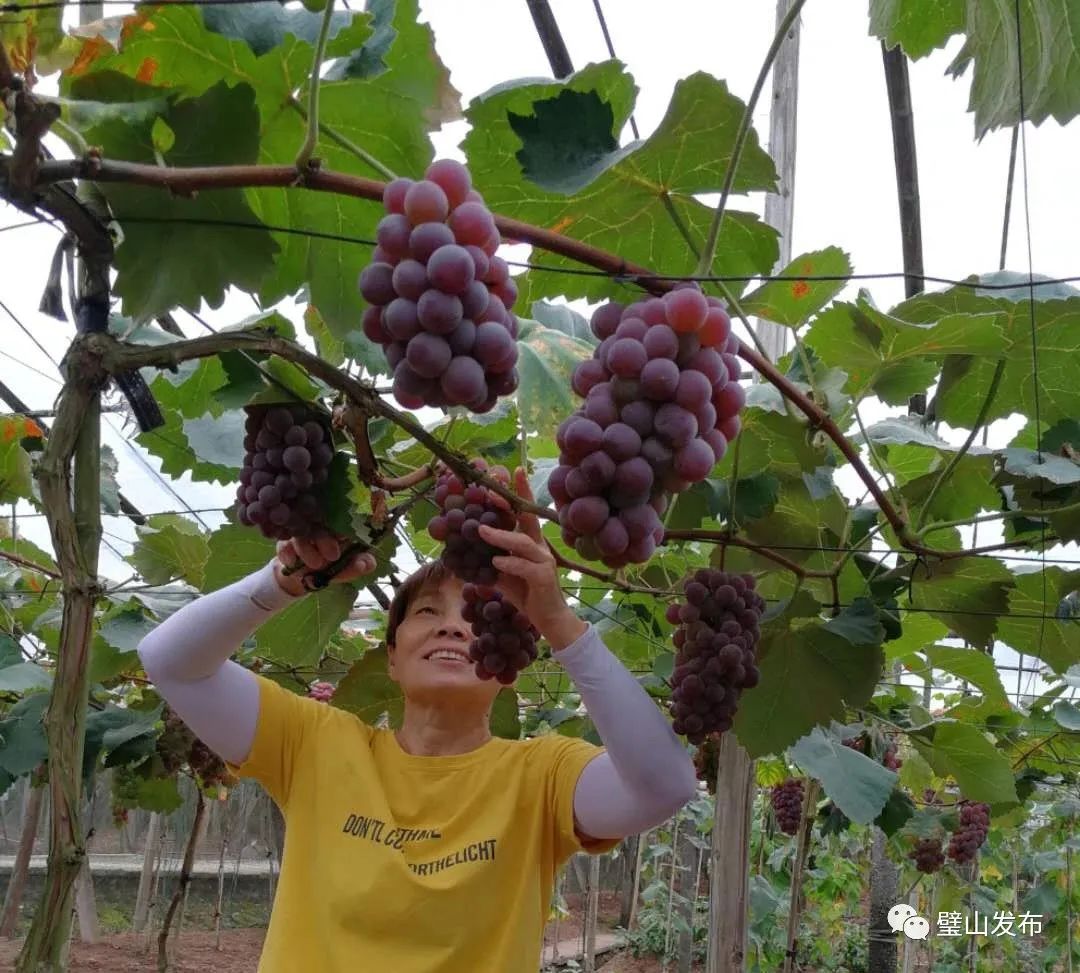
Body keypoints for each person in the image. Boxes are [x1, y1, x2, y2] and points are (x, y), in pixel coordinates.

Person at [137, 468, 697, 973]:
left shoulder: (541, 775)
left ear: (506, 669)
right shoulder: (315, 743)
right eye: (429, 611)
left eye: (475, 617)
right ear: (394, 657)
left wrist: (557, 620)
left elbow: (665, 787)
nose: (453, 627)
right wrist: (280, 582)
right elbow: (171, 662)